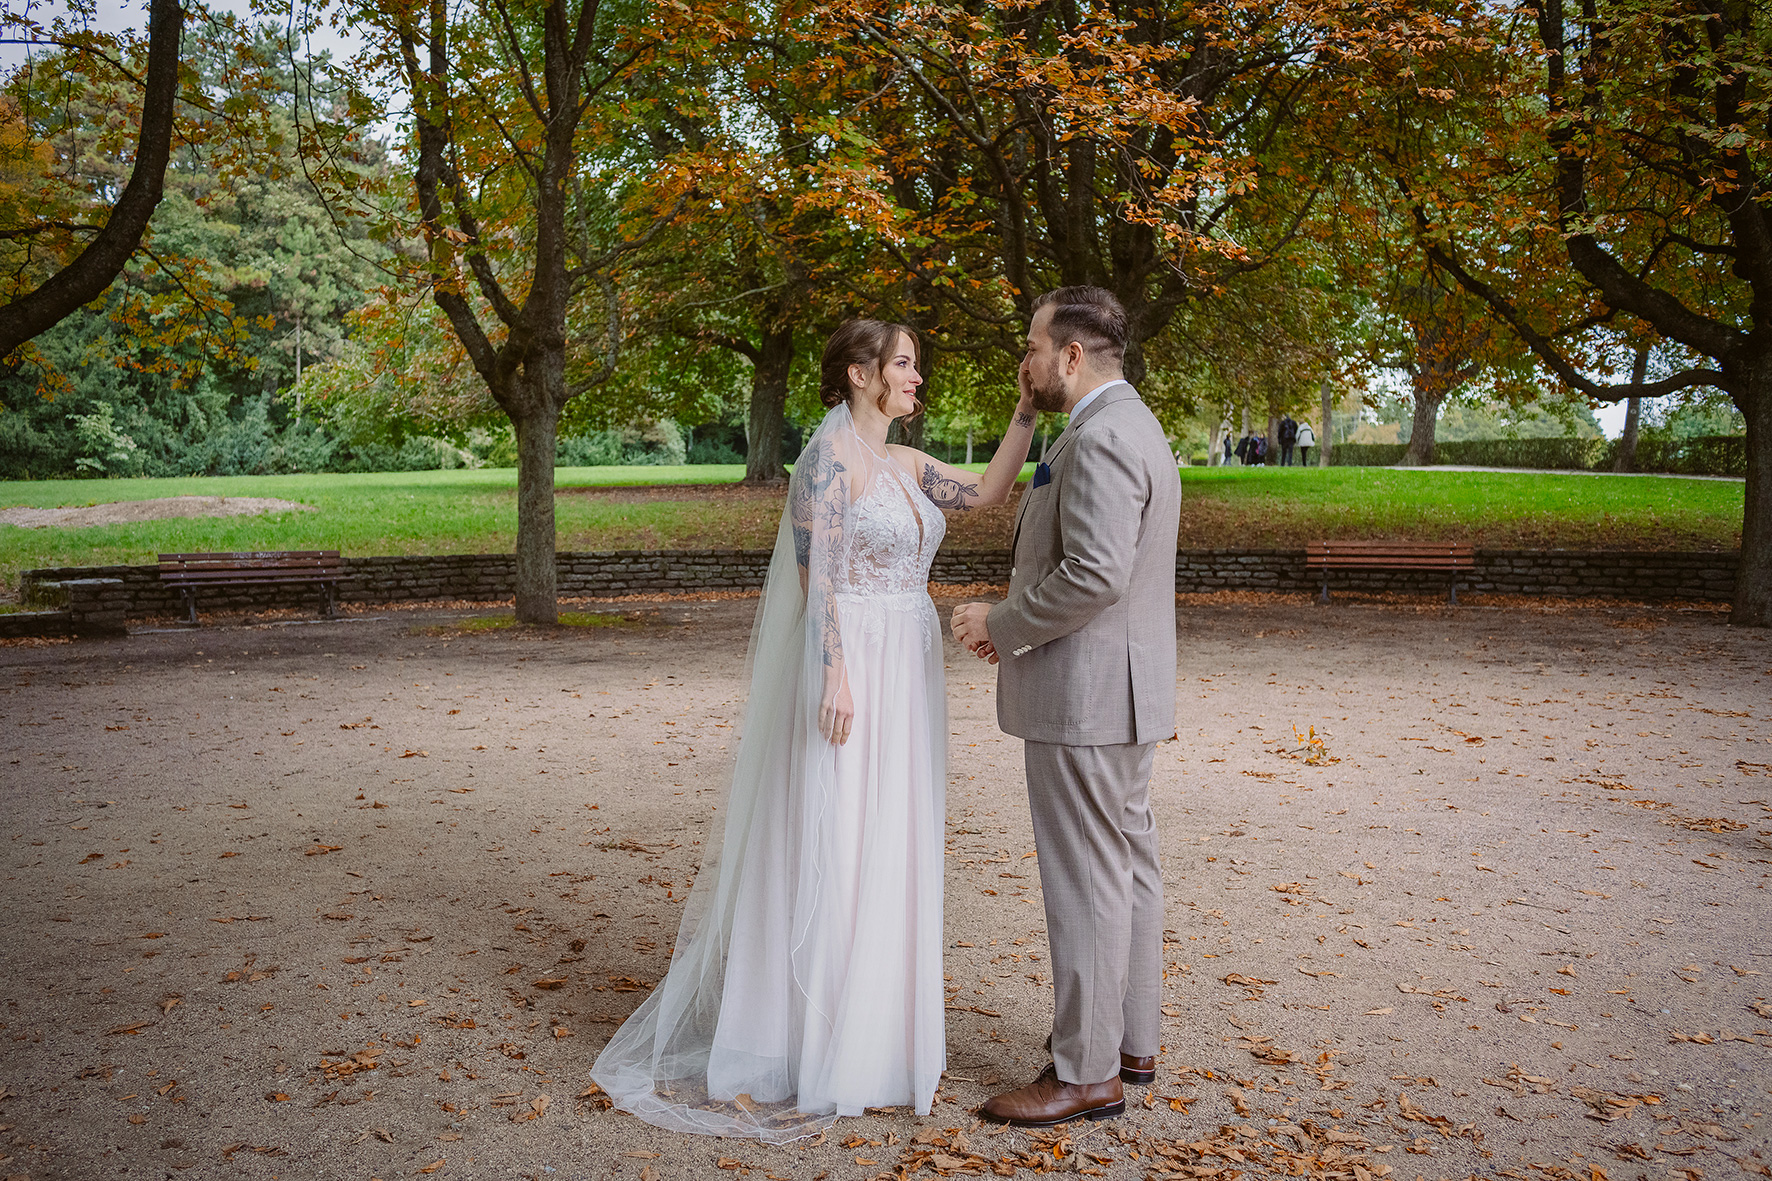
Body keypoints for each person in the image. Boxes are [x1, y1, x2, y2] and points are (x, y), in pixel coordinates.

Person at [589, 320, 1037, 1143]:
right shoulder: (825, 462)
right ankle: (815, 1040)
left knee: (892, 834)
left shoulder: (903, 464)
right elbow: (819, 574)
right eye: (905, 364)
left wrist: (1026, 411)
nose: (916, 377)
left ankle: (883, 1042)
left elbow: (984, 494)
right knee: (839, 829)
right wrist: (834, 670)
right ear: (863, 374)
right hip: (856, 662)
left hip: (908, 664)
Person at [950, 286, 1181, 1128]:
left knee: (1085, 879)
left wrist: (1000, 623)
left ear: (1072, 356)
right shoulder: (1126, 425)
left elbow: (1093, 573)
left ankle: (1085, 1072)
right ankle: (1130, 1044)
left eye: (1033, 344)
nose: (1028, 359)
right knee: (1126, 865)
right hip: (1119, 694)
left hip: (1086, 699)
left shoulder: (1102, 437)